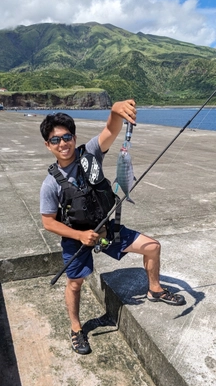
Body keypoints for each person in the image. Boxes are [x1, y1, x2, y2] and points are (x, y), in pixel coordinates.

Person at [39, 100, 185, 355]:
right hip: (77, 238)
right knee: (75, 283)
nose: (63, 143)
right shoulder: (50, 184)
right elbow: (48, 222)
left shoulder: (91, 154)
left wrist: (115, 112)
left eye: (67, 137)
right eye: (55, 140)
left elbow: (110, 130)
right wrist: (79, 235)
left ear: (74, 138)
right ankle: (75, 328)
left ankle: (155, 289)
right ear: (48, 145)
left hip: (107, 230)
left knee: (152, 247)